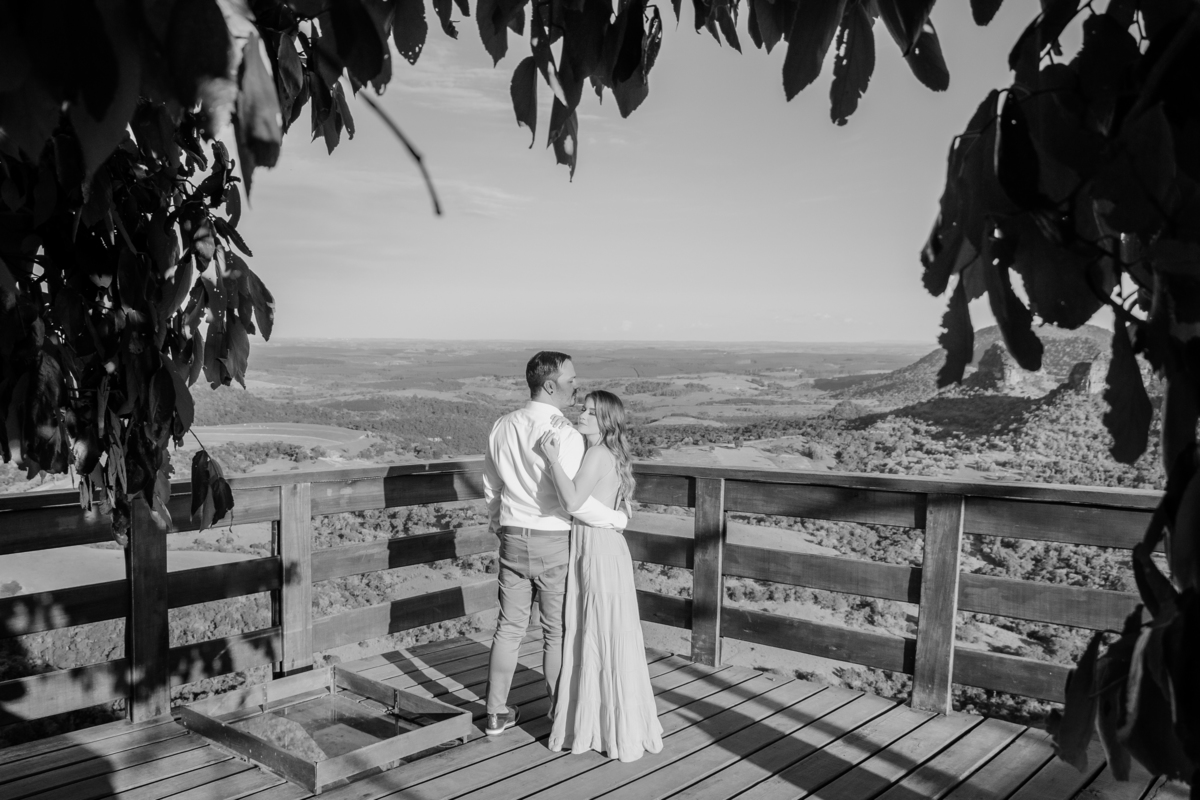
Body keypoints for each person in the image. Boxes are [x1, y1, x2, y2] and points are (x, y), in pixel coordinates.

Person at [482, 352, 629, 737]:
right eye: (571, 380)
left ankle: (495, 713)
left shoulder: (502, 425)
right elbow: (576, 500)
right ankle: (560, 716)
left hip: (512, 538)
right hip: (555, 540)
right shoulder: (567, 435)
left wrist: (499, 523)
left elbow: (491, 486)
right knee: (556, 632)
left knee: (508, 628)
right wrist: (616, 518)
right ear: (550, 385)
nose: (576, 385)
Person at [539, 390, 664, 763]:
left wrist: (551, 460)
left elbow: (573, 502)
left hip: (596, 550)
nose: (583, 414)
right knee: (607, 634)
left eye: (592, 412)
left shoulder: (596, 455)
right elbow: (614, 506)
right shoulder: (606, 452)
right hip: (607, 549)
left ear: (607, 421)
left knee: (597, 633)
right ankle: (611, 725)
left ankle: (597, 726)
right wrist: (567, 428)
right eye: (583, 408)